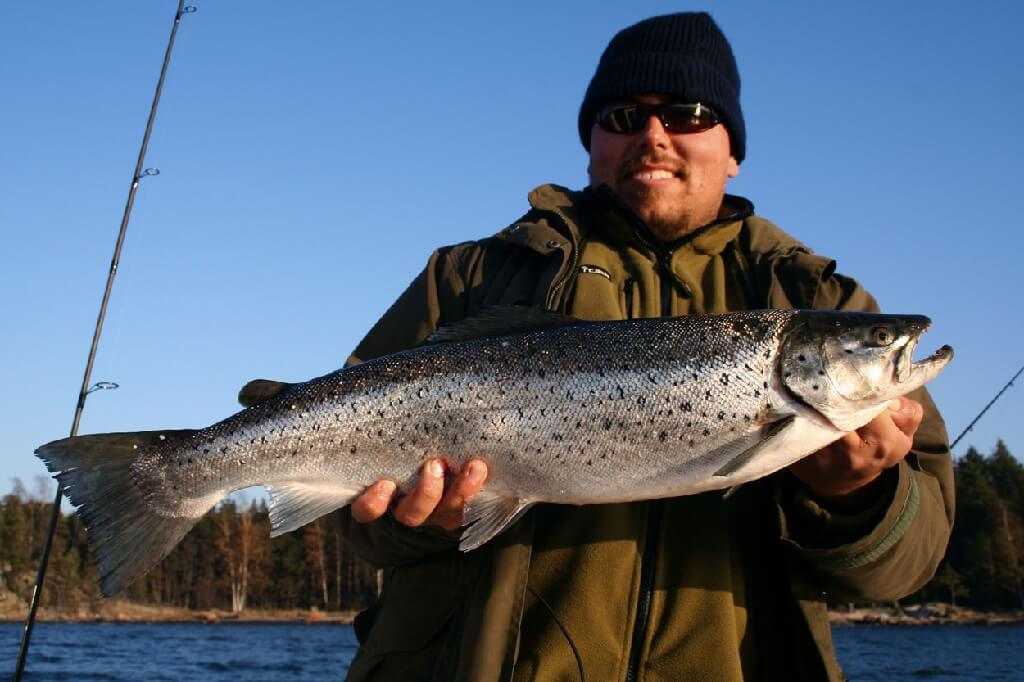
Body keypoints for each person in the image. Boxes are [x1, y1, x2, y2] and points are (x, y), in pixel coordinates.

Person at [243, 12, 954, 681]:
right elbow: (354, 517)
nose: (654, 134)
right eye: (624, 116)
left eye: (687, 115)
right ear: (592, 143)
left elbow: (905, 569)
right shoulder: (467, 277)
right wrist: (418, 524)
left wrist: (858, 497)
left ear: (732, 148)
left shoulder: (822, 302)